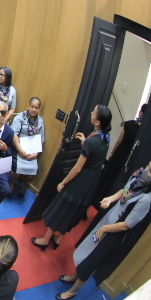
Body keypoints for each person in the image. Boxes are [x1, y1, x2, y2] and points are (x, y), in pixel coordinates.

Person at [56, 158, 151, 300]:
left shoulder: (145, 200)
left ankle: (72, 292)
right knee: (86, 251)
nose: (146, 170)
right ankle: (73, 276)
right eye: (148, 166)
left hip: (113, 234)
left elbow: (126, 225)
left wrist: (105, 229)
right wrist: (110, 199)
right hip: (106, 222)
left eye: (150, 171)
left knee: (90, 263)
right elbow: (123, 191)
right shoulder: (137, 177)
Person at [32, 105, 112, 250]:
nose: (91, 113)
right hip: (92, 181)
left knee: (62, 207)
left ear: (98, 121)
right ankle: (58, 238)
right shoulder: (105, 137)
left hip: (81, 180)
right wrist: (84, 142)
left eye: (94, 112)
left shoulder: (92, 142)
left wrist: (63, 182)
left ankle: (45, 240)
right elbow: (94, 154)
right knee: (72, 211)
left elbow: (77, 169)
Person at [95, 104, 146, 206]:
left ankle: (94, 201)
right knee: (115, 182)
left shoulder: (129, 125)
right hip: (128, 162)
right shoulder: (143, 133)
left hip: (118, 156)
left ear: (141, 113)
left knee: (105, 178)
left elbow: (118, 142)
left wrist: (112, 154)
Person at [10, 97, 44, 198]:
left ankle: (24, 186)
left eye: (36, 108)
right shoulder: (20, 117)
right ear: (28, 106)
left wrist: (36, 154)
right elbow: (14, 135)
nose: (34, 109)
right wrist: (20, 150)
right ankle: (11, 184)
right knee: (16, 173)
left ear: (39, 109)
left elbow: (41, 139)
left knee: (33, 173)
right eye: (32, 107)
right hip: (18, 147)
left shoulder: (40, 121)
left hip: (32, 150)